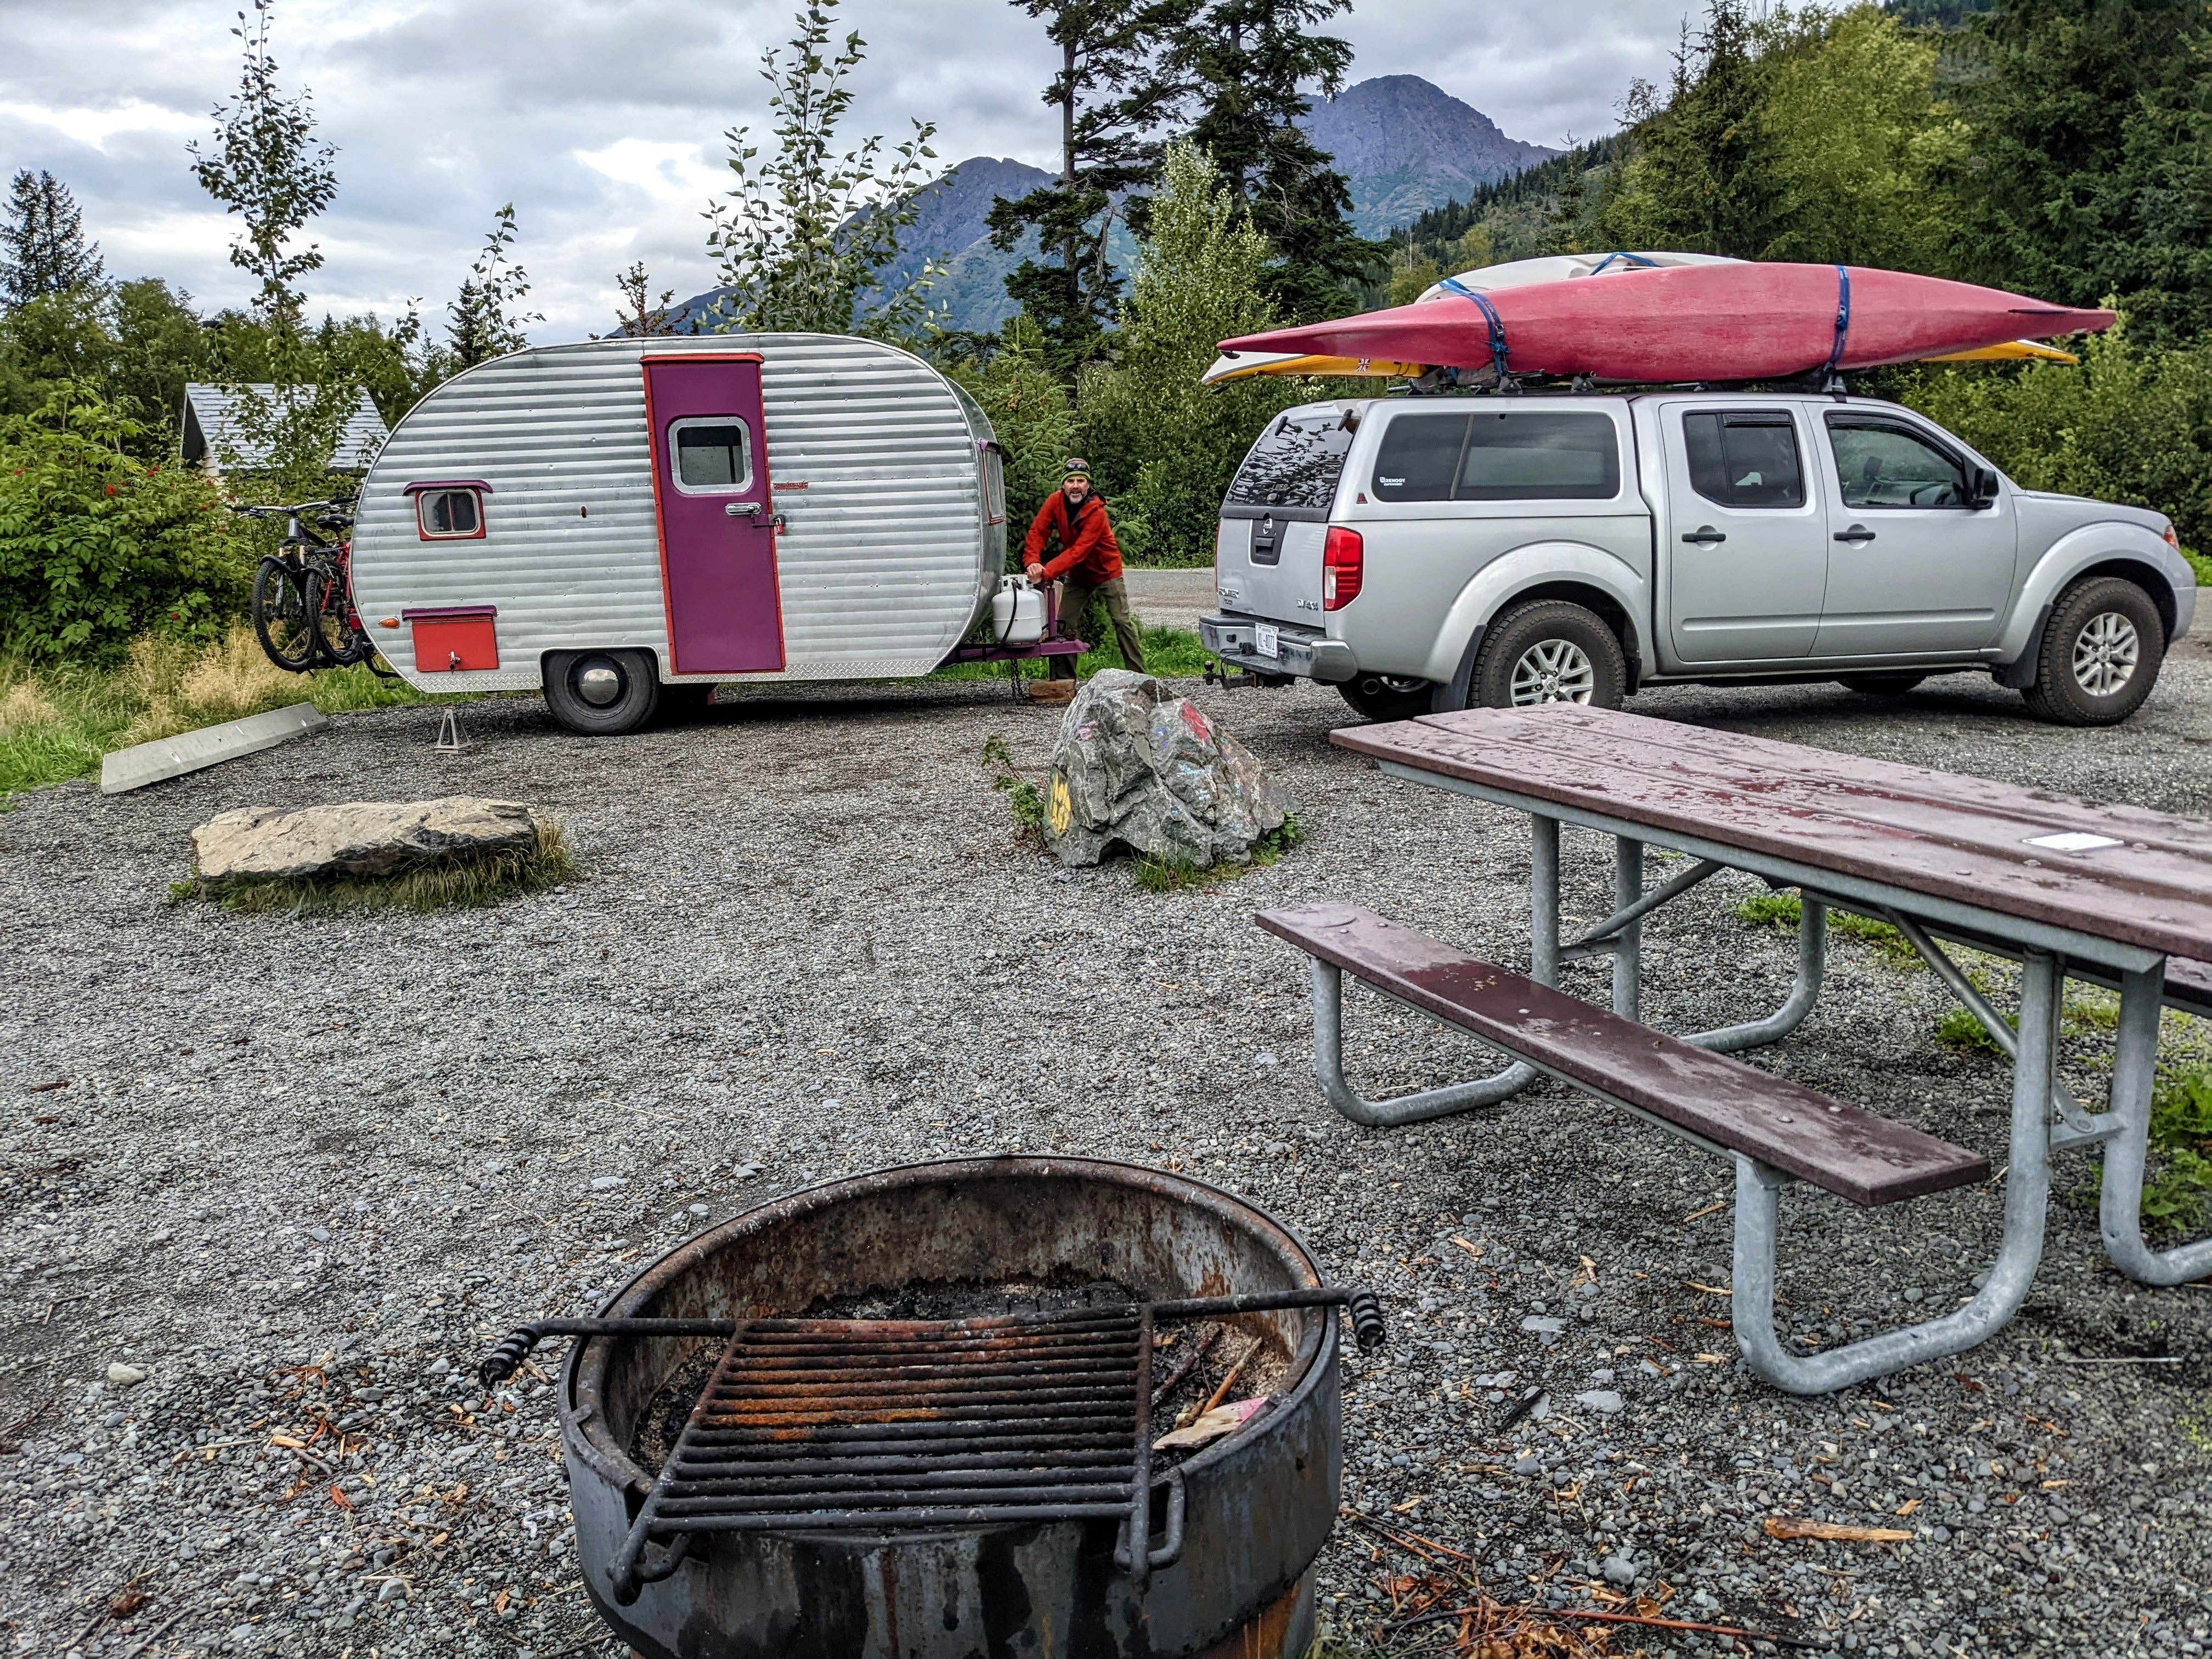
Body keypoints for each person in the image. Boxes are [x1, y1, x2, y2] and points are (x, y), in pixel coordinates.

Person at [1023, 459, 1145, 680]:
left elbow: (1079, 551)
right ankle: (1063, 681)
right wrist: (1032, 561)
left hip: (1106, 572)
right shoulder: (1055, 502)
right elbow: (1037, 533)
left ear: (1088, 485)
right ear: (1064, 485)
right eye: (1071, 481)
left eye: (1081, 481)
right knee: (1064, 624)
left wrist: (1046, 572)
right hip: (1078, 575)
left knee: (1121, 621)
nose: (1076, 485)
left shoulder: (1096, 512)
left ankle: (1141, 677)